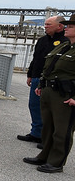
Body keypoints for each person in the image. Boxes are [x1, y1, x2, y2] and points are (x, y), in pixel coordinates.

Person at [23, 15, 75, 173]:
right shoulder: (64, 46)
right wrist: (42, 84)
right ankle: (44, 155)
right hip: (49, 92)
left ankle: (56, 162)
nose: (66, 28)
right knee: (48, 127)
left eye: (71, 26)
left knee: (62, 130)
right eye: (66, 26)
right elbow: (49, 67)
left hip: (65, 95)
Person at [17, 16, 66, 145]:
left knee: (48, 110)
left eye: (49, 24)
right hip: (37, 78)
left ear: (59, 26)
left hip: (52, 81)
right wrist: (30, 74)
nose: (45, 27)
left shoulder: (65, 42)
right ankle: (36, 133)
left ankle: (47, 138)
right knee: (34, 106)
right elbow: (35, 59)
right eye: (45, 24)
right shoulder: (42, 40)